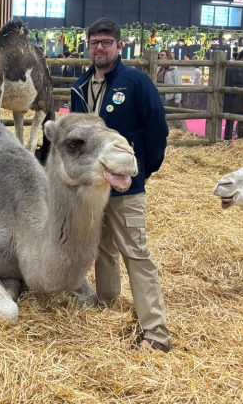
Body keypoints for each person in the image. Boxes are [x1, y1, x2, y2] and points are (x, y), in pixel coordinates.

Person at [70, 18, 171, 353]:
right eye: (95, 42)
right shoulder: (80, 86)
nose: (100, 48)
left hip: (126, 187)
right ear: (89, 46)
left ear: (119, 45)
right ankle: (107, 301)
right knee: (101, 246)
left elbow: (158, 129)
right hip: (93, 188)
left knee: (136, 253)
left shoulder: (136, 82)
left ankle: (155, 332)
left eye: (106, 42)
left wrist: (143, 170)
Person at [223, 49, 243, 140]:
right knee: (242, 121)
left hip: (231, 97)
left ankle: (227, 140)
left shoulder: (230, 67)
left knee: (229, 121)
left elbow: (226, 82)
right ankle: (241, 140)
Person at [156, 50, 186, 131]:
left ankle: (178, 132)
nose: (160, 57)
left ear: (168, 56)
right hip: (158, 95)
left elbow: (178, 83)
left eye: (163, 55)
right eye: (160, 55)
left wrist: (177, 99)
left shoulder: (174, 69)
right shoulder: (158, 68)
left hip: (169, 96)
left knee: (173, 117)